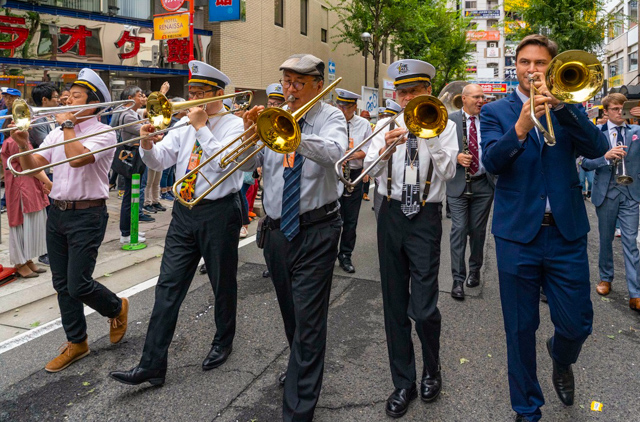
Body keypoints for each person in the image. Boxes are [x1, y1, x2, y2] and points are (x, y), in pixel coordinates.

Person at [479, 35, 609, 421]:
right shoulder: (497, 112)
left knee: (577, 323)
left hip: (565, 232)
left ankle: (560, 355)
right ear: (514, 66)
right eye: (524, 62)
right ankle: (527, 409)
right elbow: (492, 163)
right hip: (517, 234)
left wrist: (565, 108)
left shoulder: (570, 104)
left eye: (539, 63)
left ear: (551, 68)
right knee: (519, 330)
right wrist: (519, 129)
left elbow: (598, 146)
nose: (531, 69)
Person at [109, 61, 245, 386]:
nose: (192, 100)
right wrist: (146, 143)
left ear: (218, 94)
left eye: (199, 94)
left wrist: (202, 128)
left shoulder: (234, 126)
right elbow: (161, 159)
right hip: (184, 212)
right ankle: (152, 364)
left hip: (219, 212)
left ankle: (223, 340)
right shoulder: (184, 123)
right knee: (167, 287)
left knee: (222, 282)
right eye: (191, 93)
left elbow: (223, 167)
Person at [240, 53, 347, 421]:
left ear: (319, 83)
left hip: (316, 230)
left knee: (309, 317)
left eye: (298, 83)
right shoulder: (272, 117)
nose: (290, 89)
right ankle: (302, 367)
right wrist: (248, 134)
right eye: (286, 82)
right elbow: (241, 167)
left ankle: (298, 409)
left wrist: (291, 133)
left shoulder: (330, 116)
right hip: (276, 231)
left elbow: (335, 153)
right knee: (292, 313)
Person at [10, 68, 129, 372]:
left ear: (94, 103)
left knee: (78, 284)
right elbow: (30, 166)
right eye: (68, 95)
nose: (67, 99)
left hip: (88, 214)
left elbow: (76, 159)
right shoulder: (57, 130)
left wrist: (67, 126)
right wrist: (23, 144)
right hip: (57, 212)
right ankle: (77, 341)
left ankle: (116, 307)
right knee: (61, 283)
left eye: (76, 96)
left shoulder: (104, 132)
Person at [364, 59, 457, 418]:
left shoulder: (444, 124)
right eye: (402, 92)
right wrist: (385, 147)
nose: (407, 98)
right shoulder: (384, 124)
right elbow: (368, 171)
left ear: (427, 91)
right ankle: (404, 381)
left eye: (414, 91)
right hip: (390, 213)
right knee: (393, 304)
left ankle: (432, 368)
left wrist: (428, 136)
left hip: (425, 216)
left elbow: (449, 172)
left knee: (423, 308)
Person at [581, 93, 640, 312]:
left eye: (623, 108)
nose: (619, 112)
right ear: (605, 111)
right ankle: (606, 278)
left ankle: (636, 292)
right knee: (605, 239)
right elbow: (584, 162)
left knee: (630, 242)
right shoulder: (596, 133)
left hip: (631, 193)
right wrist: (605, 157)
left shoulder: (637, 131)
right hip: (606, 193)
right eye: (615, 109)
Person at [446, 84, 495, 300]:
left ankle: (475, 269)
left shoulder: (489, 119)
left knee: (477, 230)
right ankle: (458, 279)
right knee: (459, 228)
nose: (480, 101)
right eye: (476, 97)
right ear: (463, 98)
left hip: (484, 184)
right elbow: (437, 148)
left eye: (482, 97)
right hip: (457, 182)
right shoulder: (448, 120)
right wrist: (455, 157)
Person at [2, 133, 52, 278]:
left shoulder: (17, 140)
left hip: (27, 184)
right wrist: (47, 182)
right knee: (22, 223)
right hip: (22, 186)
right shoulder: (13, 142)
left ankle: (27, 259)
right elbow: (29, 166)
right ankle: (20, 263)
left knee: (29, 223)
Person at [334, 88, 372, 274]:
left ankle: (345, 255)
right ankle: (327, 253)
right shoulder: (332, 121)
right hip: (334, 174)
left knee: (350, 220)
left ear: (354, 107)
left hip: (353, 173)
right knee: (332, 218)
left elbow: (367, 150)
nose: (342, 110)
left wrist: (348, 156)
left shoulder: (363, 124)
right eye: (339, 105)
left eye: (346, 107)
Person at [373, 99, 402, 219]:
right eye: (383, 116)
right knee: (380, 218)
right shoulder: (380, 128)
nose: (385, 120)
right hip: (382, 185)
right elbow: (371, 161)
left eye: (389, 116)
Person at [29, 83, 60, 148]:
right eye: (56, 97)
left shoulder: (53, 116)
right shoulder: (36, 120)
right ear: (44, 100)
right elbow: (44, 143)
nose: (59, 100)